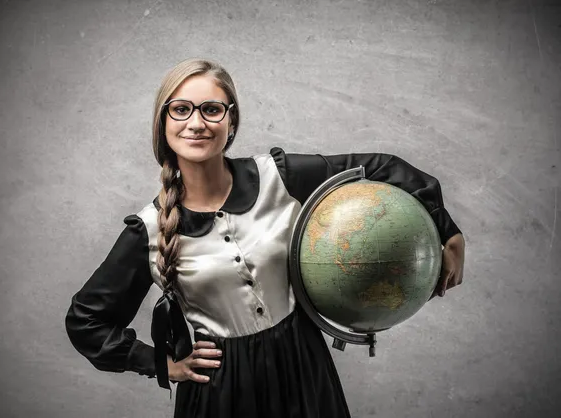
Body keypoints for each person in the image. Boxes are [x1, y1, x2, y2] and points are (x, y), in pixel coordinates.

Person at [65, 58, 465, 418]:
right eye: (182, 109)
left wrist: (446, 229)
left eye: (212, 109)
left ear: (231, 122)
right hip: (218, 392)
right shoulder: (148, 228)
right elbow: (87, 321)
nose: (197, 122)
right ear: (163, 123)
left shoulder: (280, 176)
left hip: (304, 367)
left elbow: (381, 167)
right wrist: (162, 363)